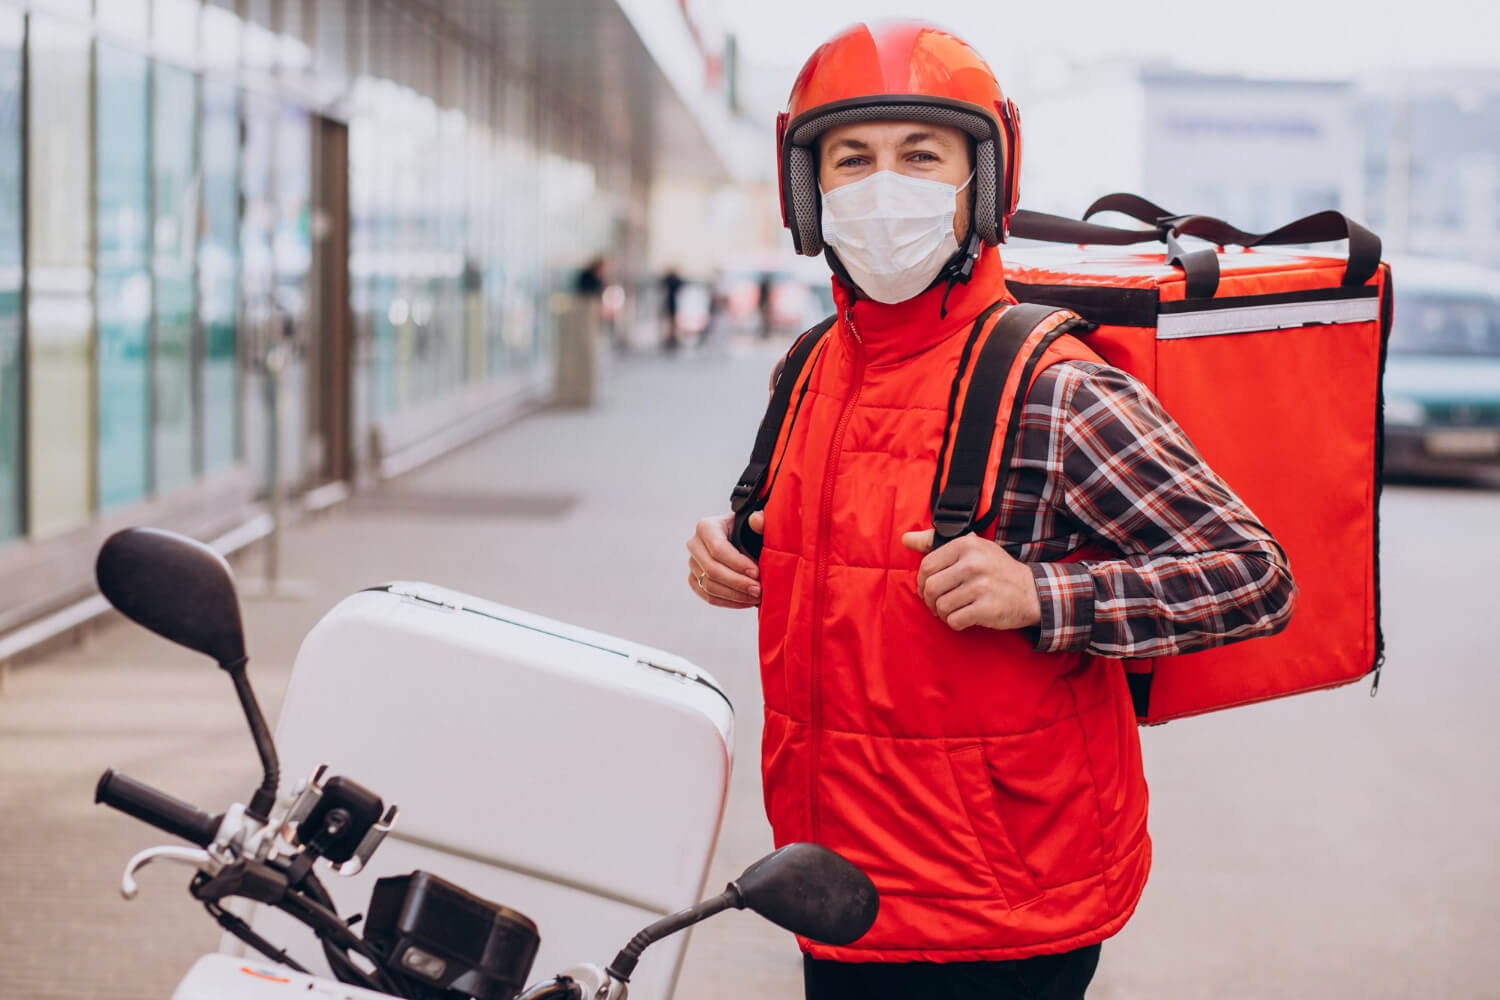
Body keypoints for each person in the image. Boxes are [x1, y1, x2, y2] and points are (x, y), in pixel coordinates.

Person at [684, 21, 1297, 1000]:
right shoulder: (808, 367)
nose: (884, 187)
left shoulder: (1056, 385)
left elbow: (1255, 575)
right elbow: (830, 546)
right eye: (853, 159)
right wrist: (739, 545)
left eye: (920, 155)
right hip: (834, 886)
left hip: (999, 917)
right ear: (809, 191)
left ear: (982, 179)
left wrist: (1042, 595)